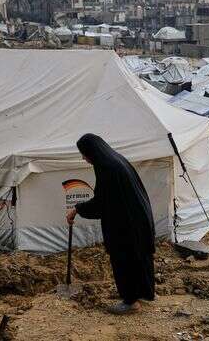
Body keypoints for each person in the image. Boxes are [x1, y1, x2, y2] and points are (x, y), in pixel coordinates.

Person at [66, 134, 156, 315]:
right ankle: (144, 293)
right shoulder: (116, 160)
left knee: (123, 259)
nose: (83, 158)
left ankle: (130, 301)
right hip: (139, 217)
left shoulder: (107, 168)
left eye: (83, 154)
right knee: (139, 257)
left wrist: (77, 209)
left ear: (91, 152)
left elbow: (101, 204)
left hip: (126, 224)